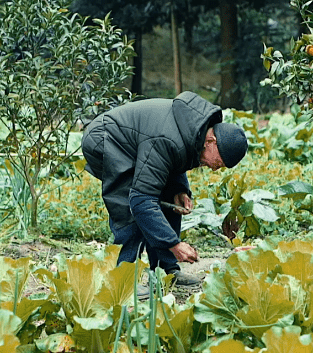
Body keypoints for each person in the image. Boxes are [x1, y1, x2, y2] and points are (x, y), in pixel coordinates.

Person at [81, 91, 248, 286]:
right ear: (211, 142)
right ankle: (122, 284)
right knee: (131, 208)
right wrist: (173, 244)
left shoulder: (196, 133)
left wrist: (180, 189)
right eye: (218, 163)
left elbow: (173, 162)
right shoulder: (168, 138)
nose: (214, 168)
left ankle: (165, 272)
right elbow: (141, 200)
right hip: (107, 140)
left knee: (170, 201)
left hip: (140, 145)